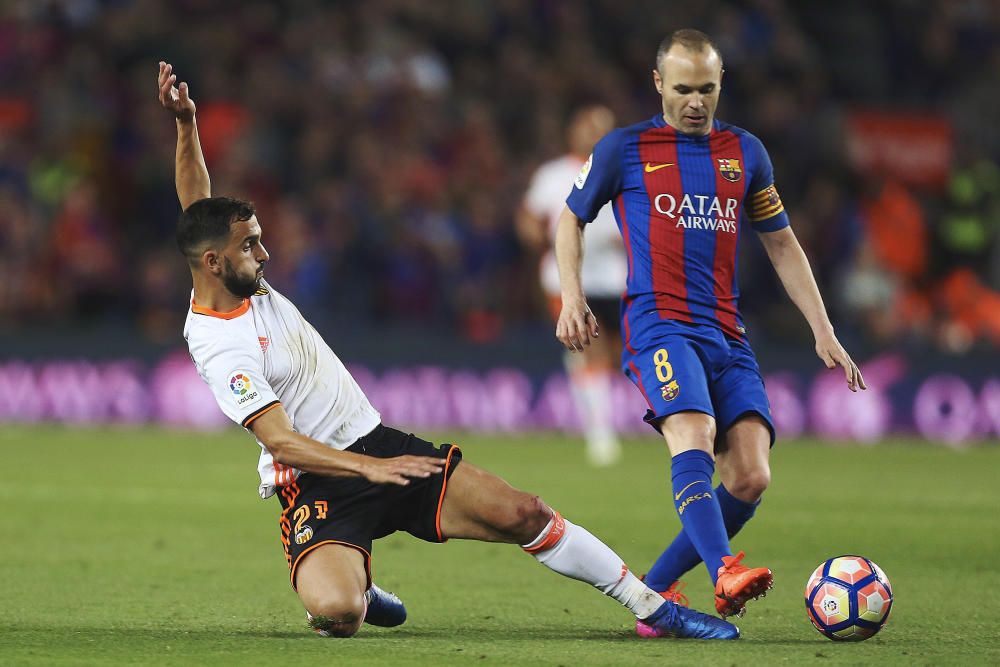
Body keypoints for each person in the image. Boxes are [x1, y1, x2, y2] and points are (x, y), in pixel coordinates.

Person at [156, 61, 738, 641]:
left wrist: (186, 127)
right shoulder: (220, 345)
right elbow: (281, 441)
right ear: (213, 264)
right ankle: (357, 586)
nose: (265, 254)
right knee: (338, 616)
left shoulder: (231, 271)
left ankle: (654, 607)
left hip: (378, 443)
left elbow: (196, 213)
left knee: (525, 512)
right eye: (251, 246)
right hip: (313, 482)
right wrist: (371, 471)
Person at [553, 29, 867, 632]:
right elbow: (571, 219)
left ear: (720, 85)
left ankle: (654, 594)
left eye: (707, 89)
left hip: (727, 333)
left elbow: (781, 244)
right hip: (658, 325)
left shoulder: (745, 153)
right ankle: (723, 569)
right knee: (693, 432)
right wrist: (571, 296)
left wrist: (823, 330)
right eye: (682, 89)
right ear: (658, 85)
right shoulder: (624, 148)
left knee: (750, 475)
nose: (695, 102)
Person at [518, 105, 626, 466]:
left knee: (617, 357)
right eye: (587, 126)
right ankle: (601, 436)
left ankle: (609, 422)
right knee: (587, 352)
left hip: (617, 277)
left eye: (602, 129)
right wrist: (546, 241)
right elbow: (529, 218)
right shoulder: (553, 175)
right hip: (567, 280)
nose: (593, 134)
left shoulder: (625, 172)